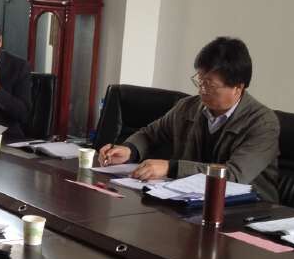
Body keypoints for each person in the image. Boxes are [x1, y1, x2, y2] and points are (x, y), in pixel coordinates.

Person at [98, 37, 280, 202]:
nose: (201, 90)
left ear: (237, 88)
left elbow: (233, 175)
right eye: (200, 81)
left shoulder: (262, 123)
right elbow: (150, 134)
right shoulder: (187, 107)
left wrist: (171, 168)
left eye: (210, 85)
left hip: (248, 208)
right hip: (191, 200)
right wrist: (129, 150)